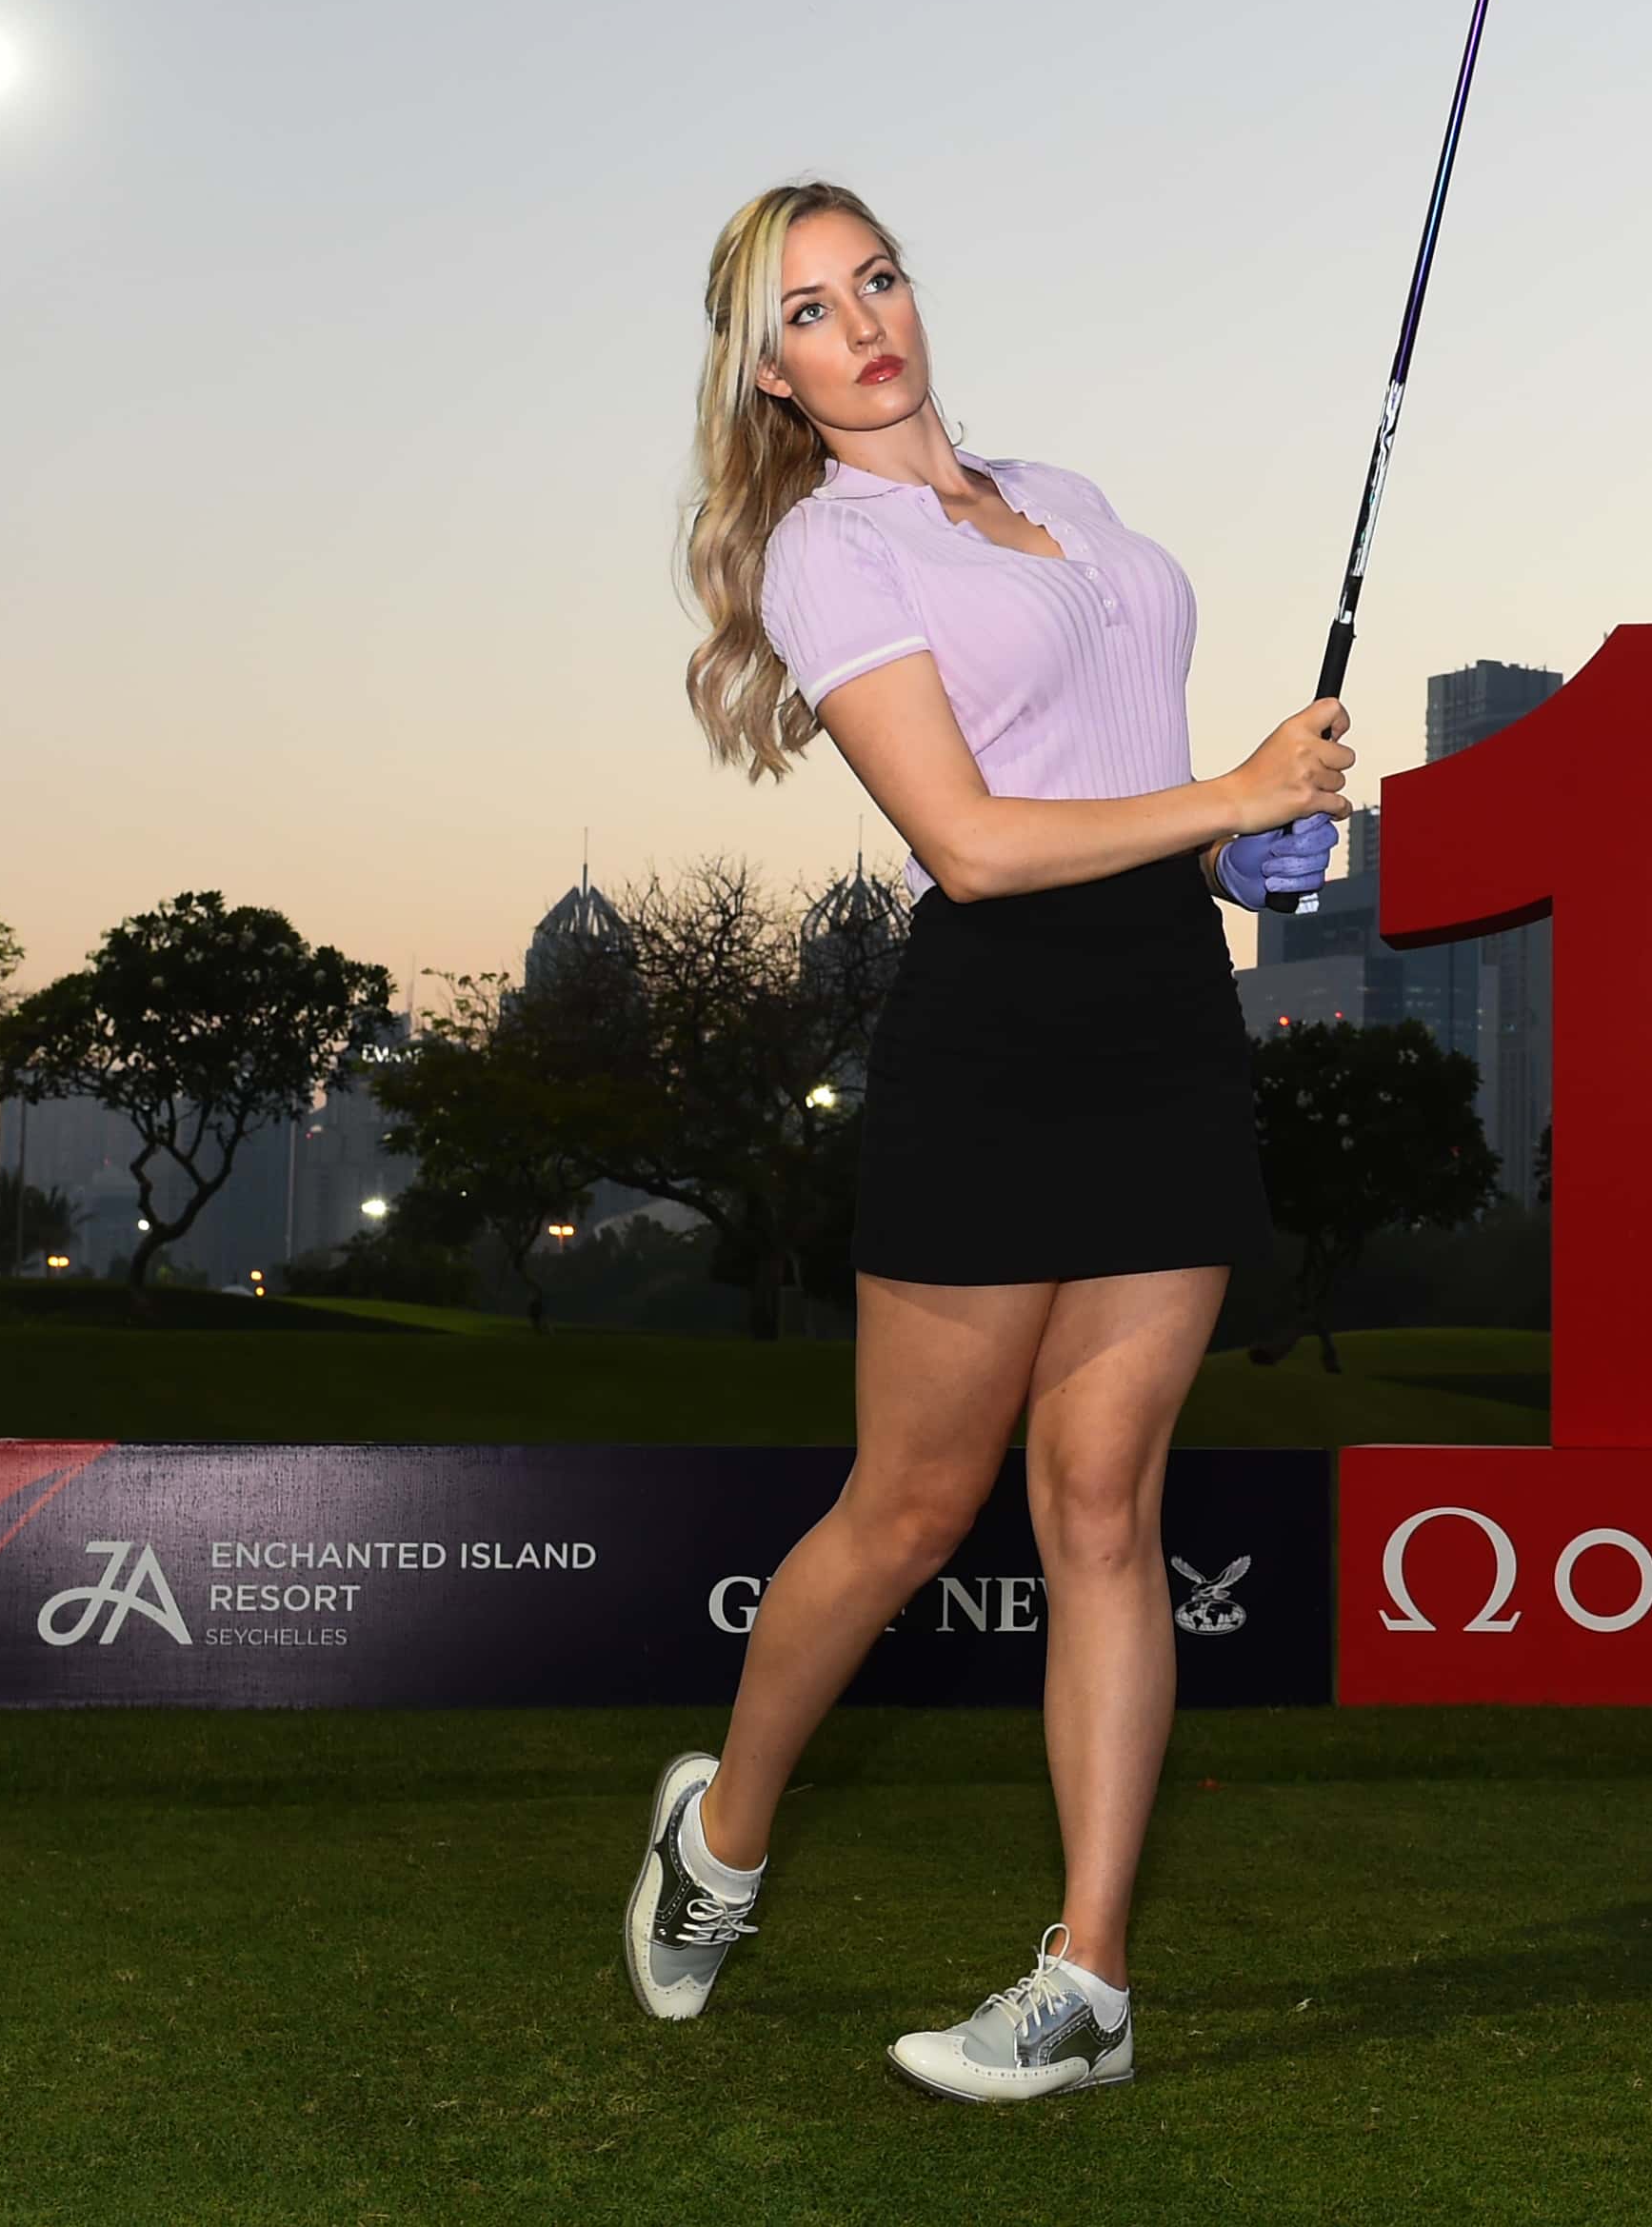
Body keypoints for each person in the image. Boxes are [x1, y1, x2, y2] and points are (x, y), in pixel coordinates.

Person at [620, 180, 1349, 2102]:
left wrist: (1239, 842)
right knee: (909, 1511)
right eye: (807, 309)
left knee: (1106, 1505)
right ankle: (726, 1836)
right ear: (764, 372)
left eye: (876, 279)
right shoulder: (830, 555)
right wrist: (1224, 790)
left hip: (1164, 1020)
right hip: (998, 1036)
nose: (861, 323)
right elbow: (973, 838)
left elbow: (1119, 790)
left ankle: (1087, 1983)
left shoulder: (1069, 498)